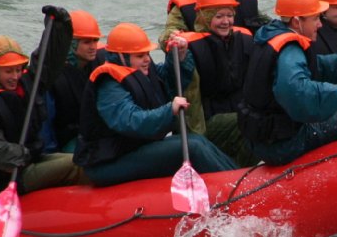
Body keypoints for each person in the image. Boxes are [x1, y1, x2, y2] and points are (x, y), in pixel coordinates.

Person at [74, 23, 238, 187]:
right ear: (122, 57)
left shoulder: (141, 70)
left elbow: (169, 81)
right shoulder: (109, 85)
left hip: (131, 149)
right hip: (107, 163)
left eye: (147, 54)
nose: (147, 59)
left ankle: (238, 179)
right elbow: (130, 121)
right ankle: (234, 188)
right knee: (191, 147)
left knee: (196, 139)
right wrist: (169, 110)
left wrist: (180, 57)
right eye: (140, 56)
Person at [237, 0, 337, 166]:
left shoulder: (271, 34)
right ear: (297, 22)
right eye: (315, 19)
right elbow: (297, 90)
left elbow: (310, 66)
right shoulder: (290, 51)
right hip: (282, 144)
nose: (320, 24)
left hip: (265, 137)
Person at [0, 6, 85, 199]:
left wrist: (60, 27)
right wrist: (22, 154)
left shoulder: (25, 84)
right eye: (8, 71)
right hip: (7, 179)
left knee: (84, 158)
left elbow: (48, 61)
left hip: (30, 161)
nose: (15, 76)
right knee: (76, 165)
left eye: (18, 69)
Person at [176, 0, 260, 167]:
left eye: (229, 15)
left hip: (238, 110)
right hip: (208, 121)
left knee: (259, 118)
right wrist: (197, 138)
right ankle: (234, 171)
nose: (226, 21)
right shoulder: (189, 48)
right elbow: (188, 95)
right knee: (248, 121)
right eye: (219, 16)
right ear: (205, 17)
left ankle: (241, 167)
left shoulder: (245, 39)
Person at [45, 9, 106, 153]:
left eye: (95, 41)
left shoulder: (99, 64)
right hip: (67, 141)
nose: (93, 47)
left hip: (92, 133)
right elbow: (46, 124)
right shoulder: (51, 78)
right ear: (70, 43)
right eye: (87, 42)